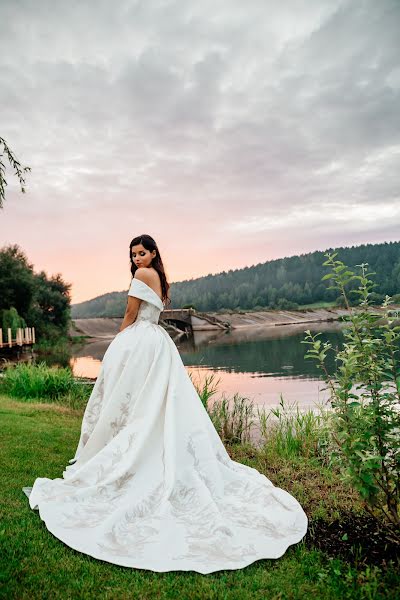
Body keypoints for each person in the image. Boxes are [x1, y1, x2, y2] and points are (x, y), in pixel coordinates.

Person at [23, 234, 308, 574]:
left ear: (153, 252)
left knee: (135, 401)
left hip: (141, 340)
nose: (137, 258)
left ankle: (131, 452)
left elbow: (131, 312)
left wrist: (119, 339)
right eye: (133, 254)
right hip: (157, 343)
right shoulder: (158, 276)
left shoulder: (142, 276)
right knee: (152, 401)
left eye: (142, 253)